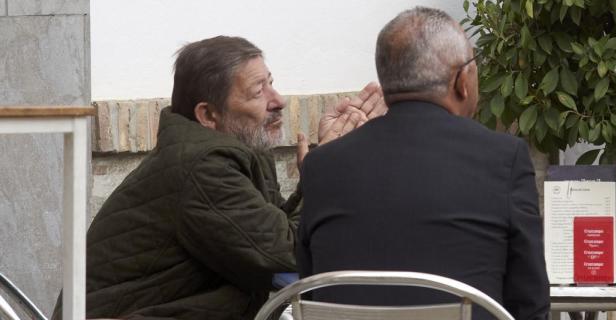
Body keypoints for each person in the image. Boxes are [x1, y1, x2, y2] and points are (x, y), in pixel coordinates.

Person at [59, 36, 385, 320]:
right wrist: (324, 172)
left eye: (271, 82)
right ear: (209, 115)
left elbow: (270, 235)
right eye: (259, 91)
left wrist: (320, 172)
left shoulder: (231, 151)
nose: (279, 100)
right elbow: (286, 254)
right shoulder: (204, 166)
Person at [298, 7, 549, 320]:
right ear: (462, 81)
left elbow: (309, 291)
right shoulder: (503, 157)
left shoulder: (321, 164)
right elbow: (530, 303)